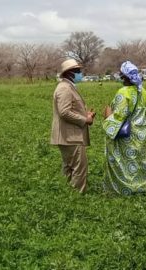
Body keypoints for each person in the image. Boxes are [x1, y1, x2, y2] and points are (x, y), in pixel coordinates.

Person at [102, 61, 146, 195]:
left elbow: (119, 116)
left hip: (126, 135)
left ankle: (124, 189)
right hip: (140, 134)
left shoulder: (123, 93)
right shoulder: (144, 92)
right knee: (138, 160)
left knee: (123, 162)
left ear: (123, 76)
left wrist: (107, 116)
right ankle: (140, 187)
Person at [50, 59, 96, 193]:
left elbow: (69, 110)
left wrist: (85, 114)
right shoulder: (65, 88)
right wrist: (85, 119)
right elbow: (64, 112)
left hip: (68, 135)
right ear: (69, 73)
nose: (80, 73)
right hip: (70, 136)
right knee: (79, 167)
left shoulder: (67, 86)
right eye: (77, 71)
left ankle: (67, 194)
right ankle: (77, 196)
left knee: (69, 166)